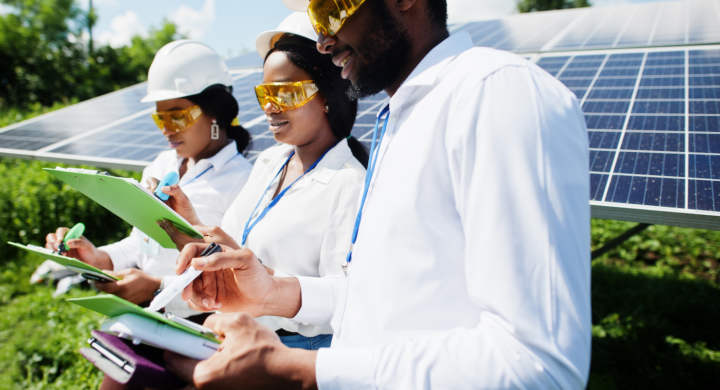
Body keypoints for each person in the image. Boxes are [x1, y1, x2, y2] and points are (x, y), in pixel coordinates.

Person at [167, 0, 592, 388]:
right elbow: (384, 294)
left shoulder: (496, 93)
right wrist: (274, 293)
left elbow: (539, 366)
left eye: (331, 10)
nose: (323, 39)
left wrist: (300, 369)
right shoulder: (403, 120)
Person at [160, 12, 367, 351]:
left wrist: (269, 286)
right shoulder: (270, 161)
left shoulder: (349, 185)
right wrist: (192, 225)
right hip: (235, 330)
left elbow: (344, 301)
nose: (270, 107)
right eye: (265, 93)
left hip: (293, 349)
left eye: (285, 94)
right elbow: (234, 245)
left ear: (328, 95)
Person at [44, 40, 252, 318]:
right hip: (148, 315)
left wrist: (157, 288)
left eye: (177, 118)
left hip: (206, 324)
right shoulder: (161, 164)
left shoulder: (244, 181)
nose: (166, 130)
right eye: (160, 119)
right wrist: (99, 258)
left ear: (215, 113)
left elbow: (238, 275)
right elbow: (140, 245)